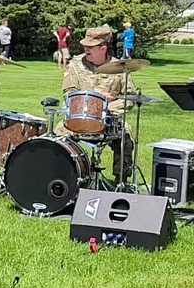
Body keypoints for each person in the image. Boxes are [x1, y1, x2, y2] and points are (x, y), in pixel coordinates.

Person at [58, 24, 136, 182]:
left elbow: (130, 97)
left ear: (103, 48)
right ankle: (64, 179)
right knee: (57, 136)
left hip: (108, 118)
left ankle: (121, 181)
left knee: (126, 135)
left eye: (91, 46)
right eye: (85, 45)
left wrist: (106, 110)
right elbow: (68, 93)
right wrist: (96, 97)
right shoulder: (76, 65)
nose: (86, 49)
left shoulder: (120, 68)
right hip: (79, 117)